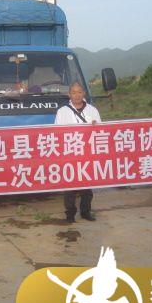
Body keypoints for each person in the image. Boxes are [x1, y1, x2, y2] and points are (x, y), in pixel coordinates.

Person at [55, 82, 102, 223]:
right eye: (74, 92)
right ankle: (70, 214)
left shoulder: (93, 110)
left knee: (87, 185)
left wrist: (96, 127)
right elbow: (56, 133)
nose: (77, 95)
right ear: (69, 94)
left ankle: (86, 211)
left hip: (88, 153)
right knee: (70, 185)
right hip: (70, 154)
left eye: (79, 92)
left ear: (84, 93)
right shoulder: (62, 111)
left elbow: (101, 131)